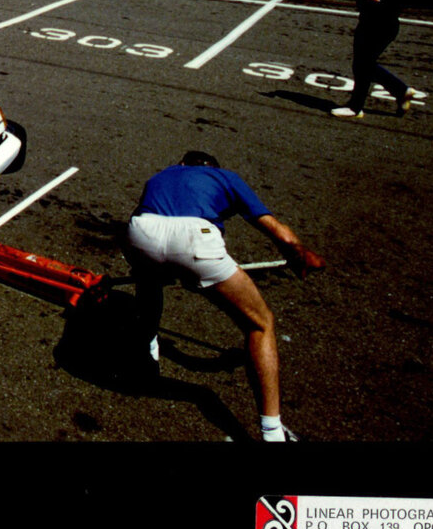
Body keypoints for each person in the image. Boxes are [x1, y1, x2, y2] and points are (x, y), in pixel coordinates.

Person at [122, 150, 325, 442]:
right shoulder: (226, 177)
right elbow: (281, 234)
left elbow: (161, 229)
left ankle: (145, 350)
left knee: (149, 280)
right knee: (260, 323)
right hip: (195, 240)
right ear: (214, 168)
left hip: (141, 231)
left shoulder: (162, 175)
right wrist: (304, 256)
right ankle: (272, 433)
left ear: (182, 164)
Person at [332, 0, 423, 119]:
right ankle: (399, 93)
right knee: (362, 64)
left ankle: (357, 106)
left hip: (385, 22)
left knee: (364, 64)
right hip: (367, 18)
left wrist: (381, 3)